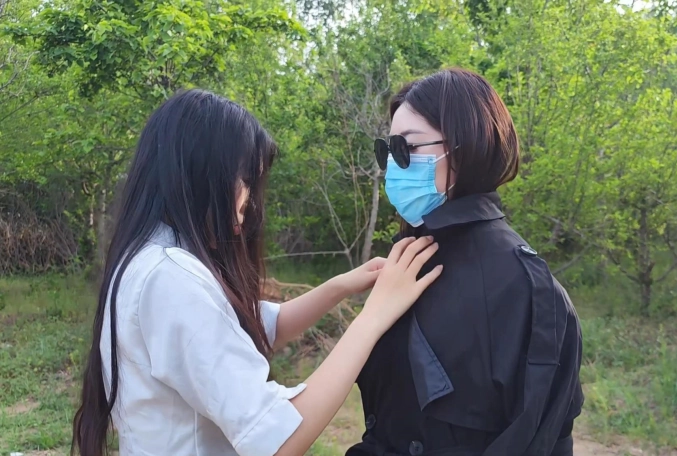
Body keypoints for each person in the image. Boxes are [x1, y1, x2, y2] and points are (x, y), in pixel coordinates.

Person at [71, 89, 443, 456]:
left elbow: (255, 327)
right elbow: (277, 441)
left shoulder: (148, 260)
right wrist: (374, 316)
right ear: (204, 175)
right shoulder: (171, 280)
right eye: (247, 180)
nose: (249, 201)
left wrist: (339, 287)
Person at [347, 68, 584, 456]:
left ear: (465, 147)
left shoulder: (529, 290)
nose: (393, 166)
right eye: (388, 150)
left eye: (408, 148)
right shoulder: (406, 259)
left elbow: (548, 440)